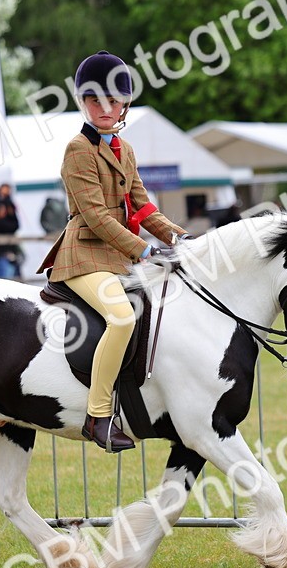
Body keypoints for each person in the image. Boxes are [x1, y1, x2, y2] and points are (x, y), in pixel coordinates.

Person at [38, 50, 187, 452]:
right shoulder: (77, 149)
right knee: (122, 319)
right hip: (84, 255)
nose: (105, 108)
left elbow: (141, 205)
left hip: (116, 256)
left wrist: (178, 239)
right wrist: (143, 250)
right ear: (83, 103)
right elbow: (98, 216)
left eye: (113, 101)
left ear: (124, 104)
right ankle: (98, 415)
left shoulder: (124, 147)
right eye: (95, 101)